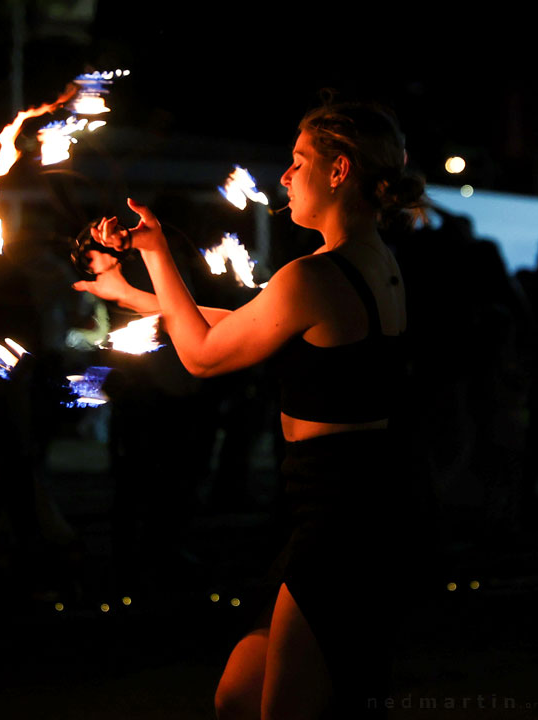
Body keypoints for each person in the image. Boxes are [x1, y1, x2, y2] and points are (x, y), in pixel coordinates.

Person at [73, 96, 428, 719]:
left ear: (338, 170)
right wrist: (134, 292)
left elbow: (206, 356)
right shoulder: (371, 262)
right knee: (237, 697)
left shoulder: (313, 274)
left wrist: (155, 252)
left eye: (298, 161)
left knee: (289, 709)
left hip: (340, 518)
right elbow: (252, 325)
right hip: (347, 504)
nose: (286, 176)